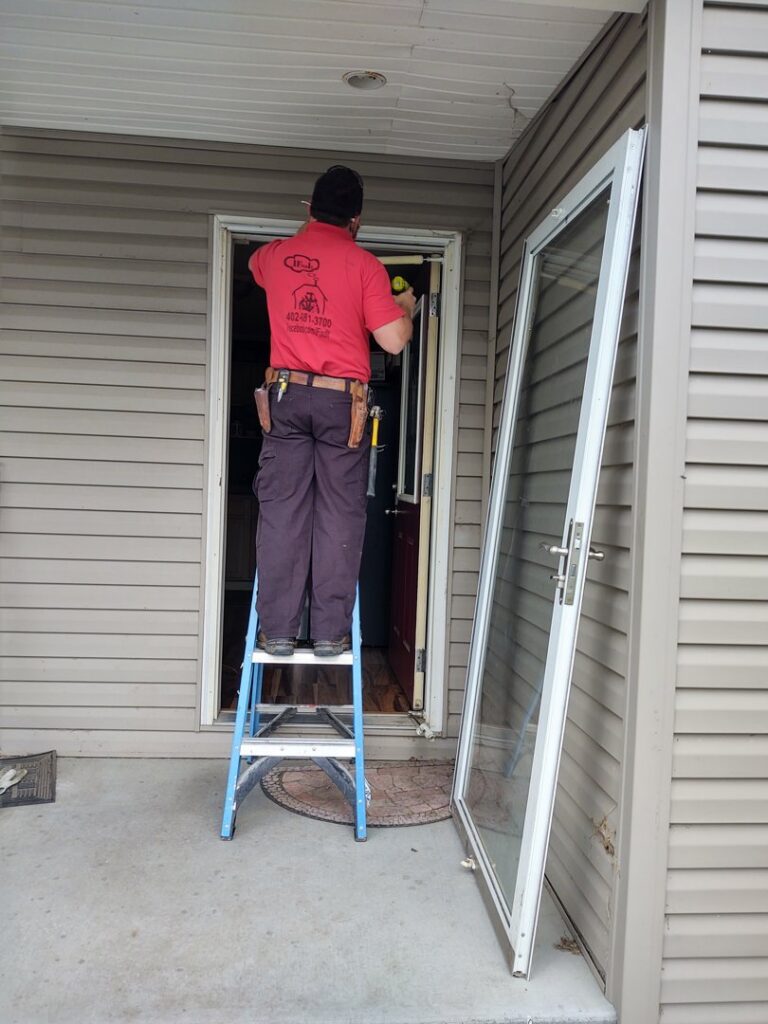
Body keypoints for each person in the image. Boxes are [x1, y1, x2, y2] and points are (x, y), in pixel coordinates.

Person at [249, 165, 416, 657]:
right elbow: (393, 341)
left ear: (308, 208)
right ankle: (328, 636)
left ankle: (277, 632)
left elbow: (261, 267)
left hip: (285, 395)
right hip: (344, 401)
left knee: (283, 510)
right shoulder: (365, 266)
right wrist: (402, 306)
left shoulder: (274, 256)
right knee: (339, 515)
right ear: (357, 219)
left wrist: (306, 238)